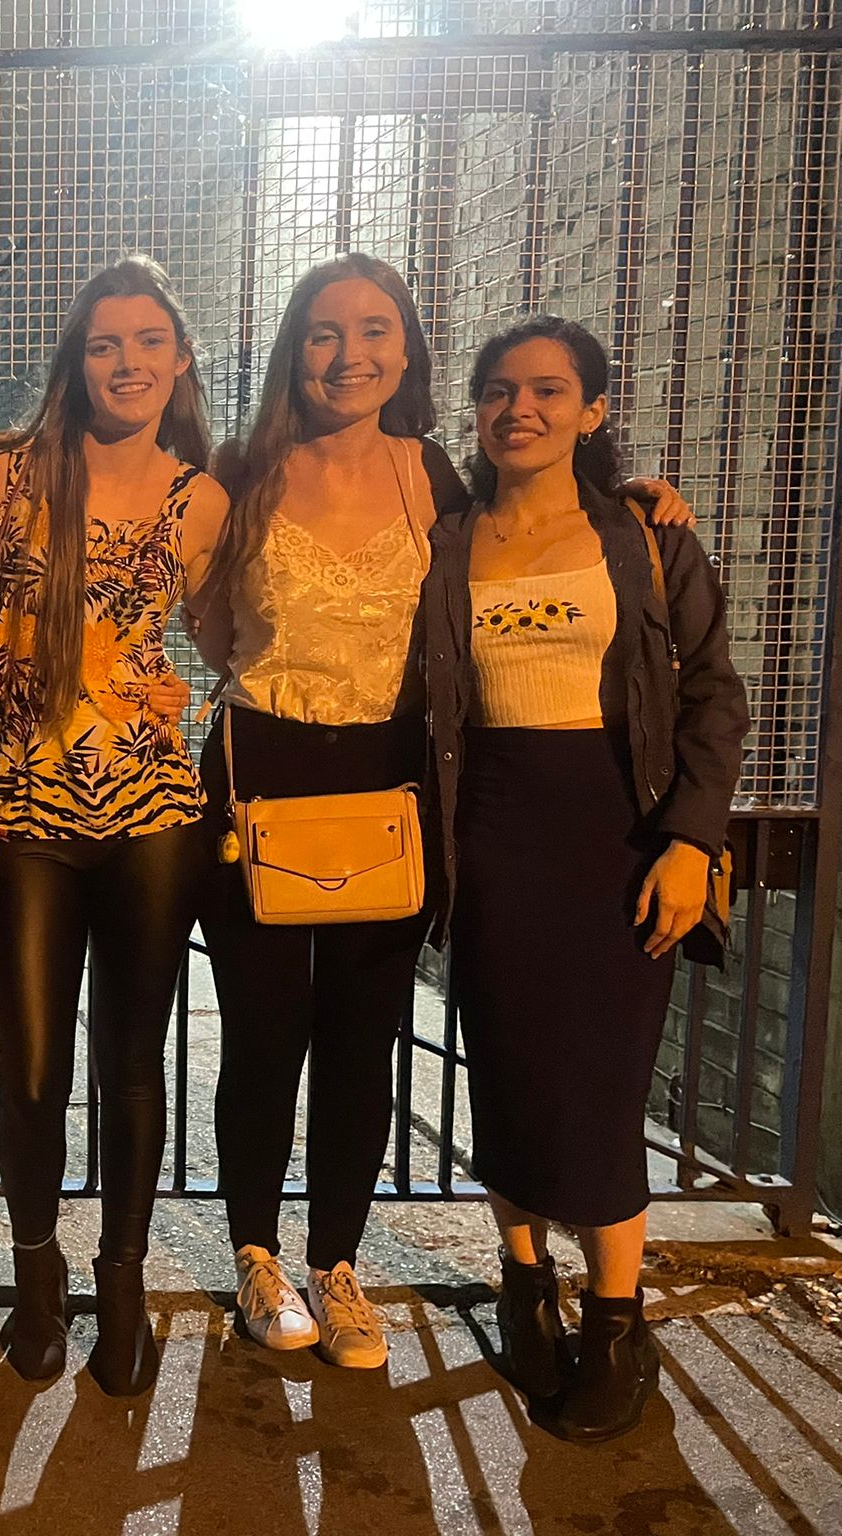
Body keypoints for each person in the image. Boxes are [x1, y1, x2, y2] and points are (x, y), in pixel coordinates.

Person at [189, 255, 691, 1371]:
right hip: (257, 776)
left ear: (406, 351)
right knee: (262, 1039)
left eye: (373, 329)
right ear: (293, 347)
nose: (348, 352)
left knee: (362, 1039)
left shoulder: (433, 479)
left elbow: (532, 526)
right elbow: (209, 631)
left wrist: (635, 500)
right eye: (323, 332)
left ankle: (338, 1264)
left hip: (389, 778)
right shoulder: (237, 471)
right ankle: (255, 1255)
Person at [423, 317, 746, 1441]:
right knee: (503, 1071)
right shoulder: (445, 540)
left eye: (547, 390)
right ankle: (522, 1284)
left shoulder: (644, 539)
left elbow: (712, 693)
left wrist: (690, 843)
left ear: (592, 411)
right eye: (496, 390)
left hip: (623, 840)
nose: (518, 408)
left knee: (604, 1089)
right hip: (490, 839)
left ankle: (615, 1319)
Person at [0, 256, 223, 1393]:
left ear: (178, 358)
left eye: (147, 341)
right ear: (76, 359)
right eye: (104, 343)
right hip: (22, 807)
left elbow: (229, 631)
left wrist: (183, 695)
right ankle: (34, 1272)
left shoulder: (200, 496)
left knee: (131, 1063)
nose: (126, 362)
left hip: (155, 805)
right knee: (27, 1070)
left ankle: (121, 1282)